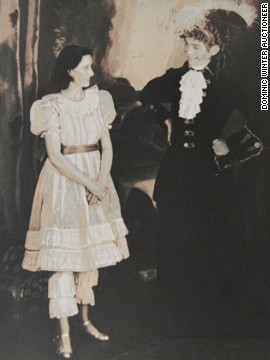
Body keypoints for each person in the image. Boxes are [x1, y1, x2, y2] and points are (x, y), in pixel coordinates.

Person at [139, 0, 263, 337]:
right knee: (173, 243)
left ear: (214, 47)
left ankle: (209, 323)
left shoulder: (226, 85)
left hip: (209, 177)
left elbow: (262, 114)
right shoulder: (175, 78)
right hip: (176, 173)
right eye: (187, 46)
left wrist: (232, 146)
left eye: (197, 46)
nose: (190, 52)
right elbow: (147, 94)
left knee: (207, 244)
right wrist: (164, 118)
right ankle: (175, 321)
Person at [22, 45, 129, 358]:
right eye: (84, 68)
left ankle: (85, 320)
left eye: (91, 67)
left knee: (89, 257)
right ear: (69, 70)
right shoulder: (50, 107)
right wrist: (89, 183)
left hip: (97, 178)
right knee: (64, 262)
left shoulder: (98, 101)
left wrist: (101, 183)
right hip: (64, 182)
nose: (90, 73)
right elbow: (55, 155)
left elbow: (106, 146)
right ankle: (64, 334)